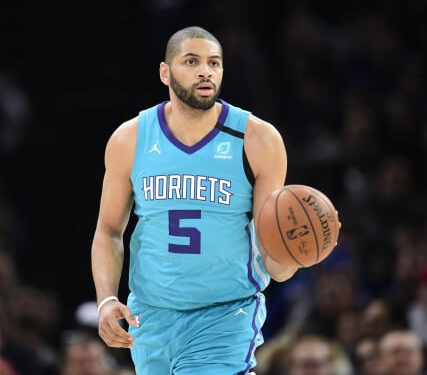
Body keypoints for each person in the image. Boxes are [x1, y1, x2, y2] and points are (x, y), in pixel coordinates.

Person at [90, 26, 301, 374]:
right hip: (150, 315)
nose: (206, 71)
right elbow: (109, 231)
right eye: (192, 61)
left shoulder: (258, 139)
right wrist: (106, 300)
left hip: (225, 315)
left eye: (214, 63)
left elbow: (274, 259)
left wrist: (293, 253)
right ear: (165, 72)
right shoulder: (130, 138)